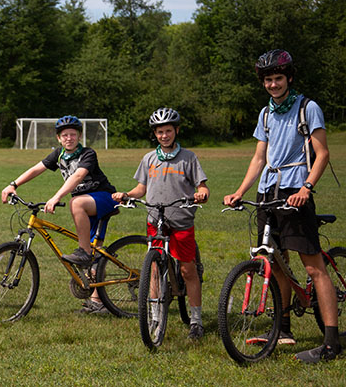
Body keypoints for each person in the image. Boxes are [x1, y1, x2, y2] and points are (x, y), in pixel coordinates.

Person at [223, 49, 341, 363]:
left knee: (314, 267)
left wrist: (307, 187)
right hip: (267, 193)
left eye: (278, 78)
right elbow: (259, 159)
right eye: (268, 80)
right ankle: (284, 328)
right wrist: (238, 191)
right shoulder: (265, 114)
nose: (273, 84)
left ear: (289, 77)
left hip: (296, 190)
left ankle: (331, 343)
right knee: (274, 263)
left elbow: (322, 153)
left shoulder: (307, 107)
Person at [1, 115, 118, 314]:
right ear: (58, 138)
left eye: (73, 134)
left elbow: (78, 175)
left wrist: (56, 197)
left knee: (77, 206)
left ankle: (84, 256)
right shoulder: (59, 154)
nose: (69, 138)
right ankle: (96, 300)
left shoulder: (88, 153)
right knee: (94, 252)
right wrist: (13, 185)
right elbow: (36, 169)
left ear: (79, 136)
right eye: (65, 135)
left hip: (103, 198)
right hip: (84, 205)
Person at [113, 108, 209, 339]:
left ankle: (196, 320)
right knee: (154, 268)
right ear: (154, 134)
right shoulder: (149, 158)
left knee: (187, 270)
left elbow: (202, 186)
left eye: (168, 131)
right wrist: (127, 194)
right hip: (155, 219)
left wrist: (202, 193)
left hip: (181, 219)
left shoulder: (188, 157)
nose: (164, 135)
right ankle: (155, 314)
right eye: (159, 132)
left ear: (176, 130)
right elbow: (141, 189)